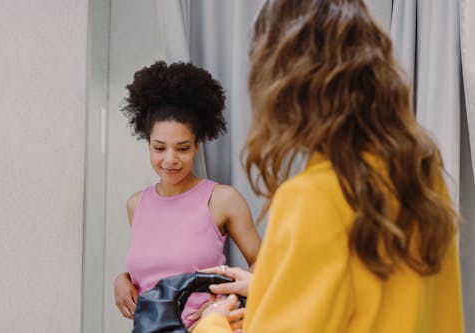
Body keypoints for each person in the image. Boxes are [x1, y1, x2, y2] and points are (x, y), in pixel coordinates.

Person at [193, 0, 465, 332]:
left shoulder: (314, 196)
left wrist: (212, 323)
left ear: (285, 84)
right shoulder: (422, 178)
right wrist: (268, 290)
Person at [113, 61, 261, 329]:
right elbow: (156, 269)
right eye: (159, 148)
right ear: (147, 143)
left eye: (182, 148)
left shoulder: (221, 200)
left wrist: (225, 302)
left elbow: (265, 266)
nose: (170, 159)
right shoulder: (136, 204)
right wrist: (122, 280)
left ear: (197, 145)